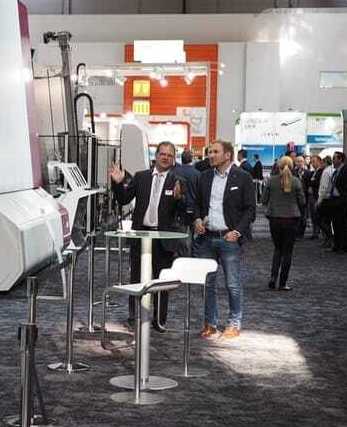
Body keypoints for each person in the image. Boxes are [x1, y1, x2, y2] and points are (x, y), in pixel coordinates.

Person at [109, 141, 184, 330]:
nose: (165, 157)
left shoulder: (178, 180)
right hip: (140, 236)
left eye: (169, 155)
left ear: (173, 159)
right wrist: (118, 183)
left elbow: (184, 212)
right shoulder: (141, 177)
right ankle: (134, 317)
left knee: (161, 281)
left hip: (163, 239)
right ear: (156, 156)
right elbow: (123, 199)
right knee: (136, 279)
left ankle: (159, 320)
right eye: (162, 154)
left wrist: (179, 198)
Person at [193, 140, 256, 340]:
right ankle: (210, 324)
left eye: (215, 152)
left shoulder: (243, 177)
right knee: (207, 284)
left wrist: (237, 232)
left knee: (233, 284)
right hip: (206, 238)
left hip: (229, 239)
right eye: (210, 152)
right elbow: (197, 204)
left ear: (228, 155)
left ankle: (234, 323)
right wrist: (197, 219)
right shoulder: (204, 176)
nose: (211, 155)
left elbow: (250, 209)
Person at [262, 156, 306, 291]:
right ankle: (283, 283)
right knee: (288, 251)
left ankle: (273, 277)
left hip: (274, 218)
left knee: (277, 249)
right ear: (292, 167)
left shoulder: (271, 181)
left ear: (278, 166)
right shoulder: (296, 181)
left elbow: (264, 200)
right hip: (291, 219)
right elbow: (302, 201)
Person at [172, 149, 202, 256]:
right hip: (194, 208)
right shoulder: (198, 174)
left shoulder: (174, 172)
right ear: (192, 159)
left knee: (181, 233)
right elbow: (200, 193)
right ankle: (193, 254)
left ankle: (182, 255)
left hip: (179, 207)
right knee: (195, 234)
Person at [326, 151, 347, 254]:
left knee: (343, 223)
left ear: (340, 159)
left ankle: (344, 246)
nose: (333, 160)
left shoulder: (346, 171)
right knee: (335, 224)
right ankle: (336, 245)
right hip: (333, 200)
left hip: (341, 201)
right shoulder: (335, 172)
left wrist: (342, 198)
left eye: (334, 158)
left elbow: (346, 186)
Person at [315, 155, 335, 246]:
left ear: (325, 163)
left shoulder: (325, 172)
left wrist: (319, 201)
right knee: (327, 221)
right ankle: (328, 238)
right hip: (331, 199)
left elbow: (323, 187)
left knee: (320, 220)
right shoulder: (333, 170)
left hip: (325, 199)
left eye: (322, 163)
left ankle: (328, 237)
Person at [306, 155, 324, 239]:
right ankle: (315, 232)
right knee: (313, 215)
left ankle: (318, 232)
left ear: (319, 161)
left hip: (317, 196)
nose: (312, 163)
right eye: (311, 162)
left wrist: (312, 183)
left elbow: (317, 183)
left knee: (317, 215)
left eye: (314, 161)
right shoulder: (313, 172)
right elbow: (309, 181)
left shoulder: (322, 171)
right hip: (311, 196)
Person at [298, 156, 314, 239]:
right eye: (298, 161)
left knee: (303, 216)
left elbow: (310, 184)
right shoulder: (294, 172)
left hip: (305, 197)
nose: (299, 163)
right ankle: (296, 232)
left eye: (301, 161)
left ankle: (301, 233)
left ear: (303, 162)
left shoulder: (308, 173)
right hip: (296, 197)